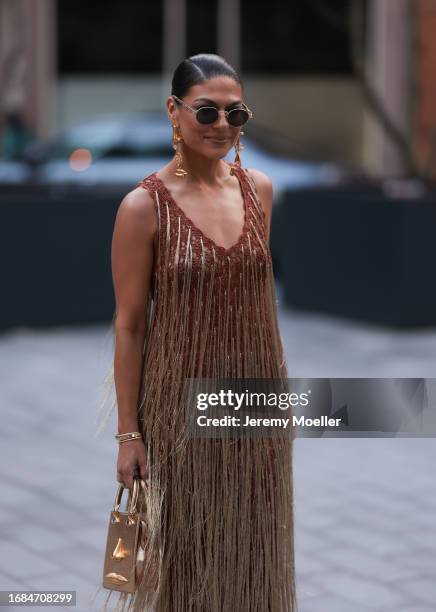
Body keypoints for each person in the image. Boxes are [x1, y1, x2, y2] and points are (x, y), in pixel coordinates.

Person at [96, 53, 297, 611]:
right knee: (185, 559)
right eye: (206, 111)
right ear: (174, 112)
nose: (222, 126)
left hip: (256, 405)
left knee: (256, 553)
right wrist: (129, 433)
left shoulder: (259, 189)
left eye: (237, 115)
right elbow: (130, 324)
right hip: (178, 413)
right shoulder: (142, 207)